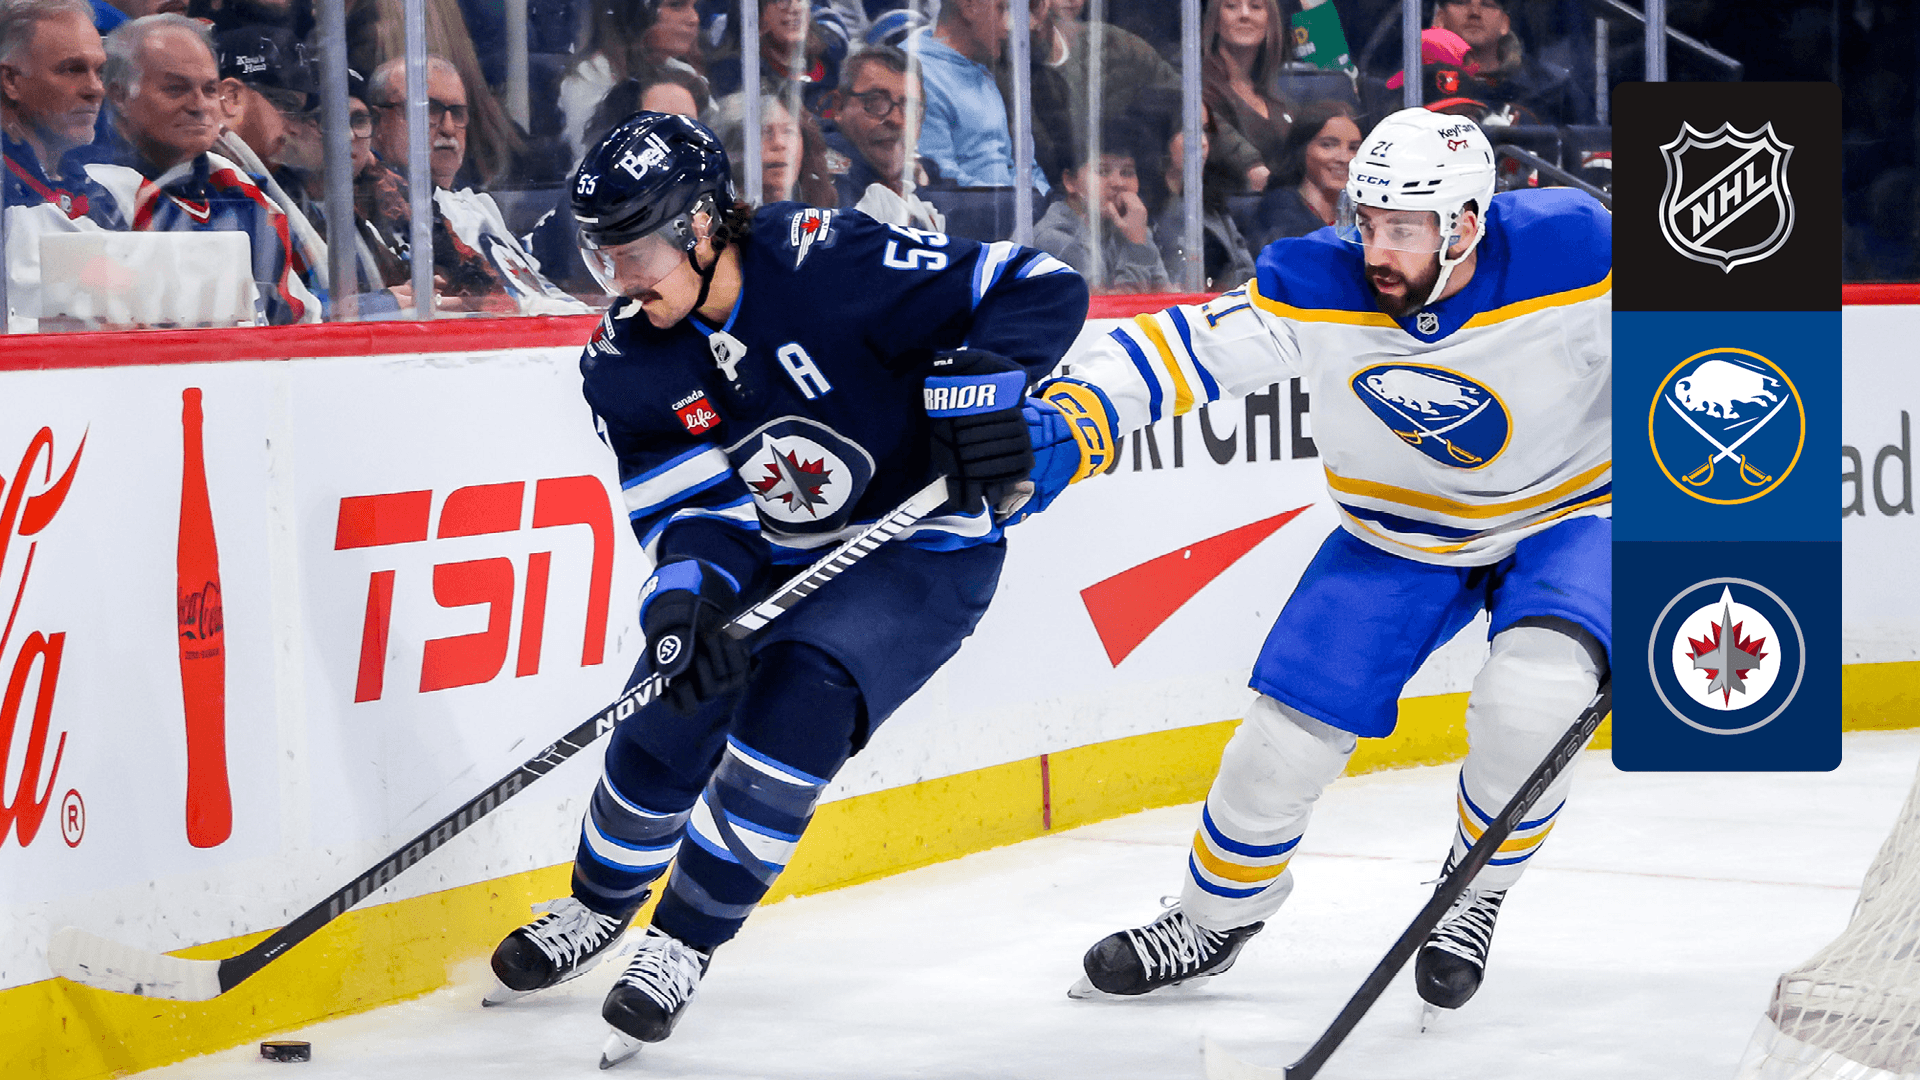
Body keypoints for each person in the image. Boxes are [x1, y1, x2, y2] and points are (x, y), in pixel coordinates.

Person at [481, 111, 1087, 1066]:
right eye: (603, 257)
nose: (620, 280)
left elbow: (1038, 284)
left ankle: (682, 943)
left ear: (699, 225)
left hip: (919, 545)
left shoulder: (826, 260)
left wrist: (984, 379)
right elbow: (694, 508)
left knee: (801, 700)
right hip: (774, 552)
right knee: (668, 704)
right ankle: (597, 906)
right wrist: (688, 607)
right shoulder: (627, 362)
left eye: (635, 251)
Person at [1035, 109, 1610, 1018]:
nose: (1377, 249)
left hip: (1572, 513)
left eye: (1404, 229)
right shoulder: (1317, 279)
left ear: (1467, 223)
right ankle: (1212, 919)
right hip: (1398, 534)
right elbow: (1186, 349)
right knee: (1279, 743)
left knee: (1534, 698)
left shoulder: (1575, 248)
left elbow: (1717, 336)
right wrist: (1075, 406)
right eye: (1367, 221)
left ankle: (1473, 894)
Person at [96, 13, 316, 323]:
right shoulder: (93, 197)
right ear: (119, 95)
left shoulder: (241, 192)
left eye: (210, 90)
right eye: (176, 89)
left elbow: (297, 321)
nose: (199, 105)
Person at [366, 54, 588, 313]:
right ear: (377, 123)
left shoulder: (476, 204)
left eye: (457, 113)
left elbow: (533, 287)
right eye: (429, 110)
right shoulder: (381, 209)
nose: (449, 128)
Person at [0, 0, 129, 330]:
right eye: (72, 69)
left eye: (100, 72)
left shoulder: (100, 195)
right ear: (11, 80)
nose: (95, 89)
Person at [912, 0, 1046, 192]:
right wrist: (1018, 200)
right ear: (969, 6)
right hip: (972, 208)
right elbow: (941, 183)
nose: (1009, 25)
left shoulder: (985, 71)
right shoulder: (916, 75)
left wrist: (1044, 198)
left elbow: (1026, 167)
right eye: (1001, 8)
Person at [1032, 122, 1169, 293]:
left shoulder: (1132, 227)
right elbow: (1109, 306)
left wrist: (1137, 239)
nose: (1118, 183)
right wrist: (1136, 246)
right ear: (1070, 181)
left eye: (1127, 173)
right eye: (1103, 171)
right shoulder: (1055, 238)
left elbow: (1164, 295)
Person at [822, 44, 942, 230]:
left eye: (910, 108)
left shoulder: (914, 178)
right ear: (839, 107)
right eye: (876, 102)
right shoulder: (823, 174)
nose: (896, 120)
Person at [1146, 101, 1255, 292]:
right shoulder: (1139, 207)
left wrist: (1223, 290)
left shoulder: (1212, 203)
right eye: (1189, 130)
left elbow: (1246, 272)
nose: (1203, 142)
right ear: (1161, 135)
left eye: (1205, 130)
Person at [1429, 0, 1582, 126]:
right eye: (1461, 2)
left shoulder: (1551, 88)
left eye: (1487, 4)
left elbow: (1585, 146)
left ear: (1505, 23)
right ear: (1439, 18)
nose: (1474, 13)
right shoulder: (1419, 82)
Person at [1201, 0, 1291, 191]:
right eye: (1231, 6)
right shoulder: (1198, 86)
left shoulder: (1276, 95)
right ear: (1215, 21)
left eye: (1255, 6)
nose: (1244, 14)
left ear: (1270, 22)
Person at [708, 0, 841, 118]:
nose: (795, 8)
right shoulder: (735, 72)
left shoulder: (828, 62)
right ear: (758, 14)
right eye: (781, 1)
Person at [1252, 99, 1360, 246]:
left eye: (1353, 148)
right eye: (1327, 145)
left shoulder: (1364, 211)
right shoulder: (1279, 212)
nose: (1344, 158)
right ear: (1302, 150)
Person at [710, 89, 834, 206]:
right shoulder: (716, 209)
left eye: (788, 131)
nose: (779, 143)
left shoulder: (824, 208)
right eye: (764, 131)